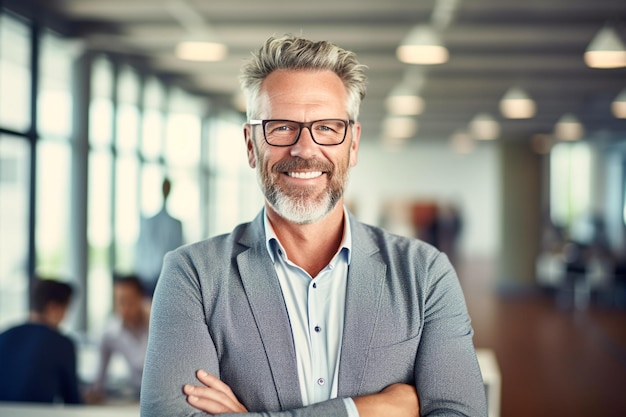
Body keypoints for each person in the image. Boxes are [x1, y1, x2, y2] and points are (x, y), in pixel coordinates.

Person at [140, 35, 487, 417]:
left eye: (326, 127)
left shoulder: (424, 273)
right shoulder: (192, 276)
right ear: (251, 145)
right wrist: (363, 411)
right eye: (282, 127)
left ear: (352, 144)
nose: (305, 150)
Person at [0, 278, 81, 404]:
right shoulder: (62, 344)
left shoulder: (3, 336)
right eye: (66, 309)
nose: (65, 317)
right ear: (53, 307)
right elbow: (72, 402)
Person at [87, 275, 149, 402]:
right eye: (120, 302)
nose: (125, 308)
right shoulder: (110, 332)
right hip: (138, 392)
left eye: (129, 301)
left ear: (141, 298)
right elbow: (99, 378)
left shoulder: (159, 321)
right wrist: (95, 391)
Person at [134, 177, 183, 297]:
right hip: (147, 275)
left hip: (166, 275)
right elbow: (142, 247)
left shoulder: (176, 224)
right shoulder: (150, 221)